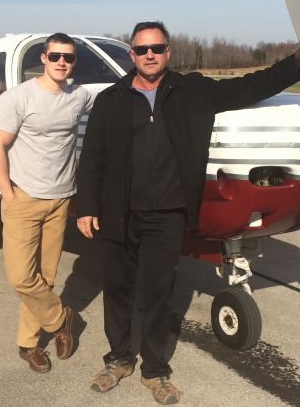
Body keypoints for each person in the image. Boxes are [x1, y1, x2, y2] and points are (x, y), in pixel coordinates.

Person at [76, 21, 300, 404]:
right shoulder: (111, 99)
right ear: (132, 55)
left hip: (167, 214)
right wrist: (86, 207)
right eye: (142, 49)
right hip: (118, 213)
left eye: (157, 48)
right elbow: (93, 157)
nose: (150, 54)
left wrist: (295, 62)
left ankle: (155, 370)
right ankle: (118, 359)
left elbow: (254, 85)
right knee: (118, 289)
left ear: (168, 52)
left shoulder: (194, 90)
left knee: (160, 293)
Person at [0, 33, 94, 373]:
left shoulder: (79, 97)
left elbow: (116, 105)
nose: (62, 62)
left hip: (61, 199)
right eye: (56, 56)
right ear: (43, 59)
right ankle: (61, 320)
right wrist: (8, 193)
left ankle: (28, 345)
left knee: (44, 279)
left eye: (69, 57)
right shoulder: (17, 98)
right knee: (21, 277)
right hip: (24, 198)